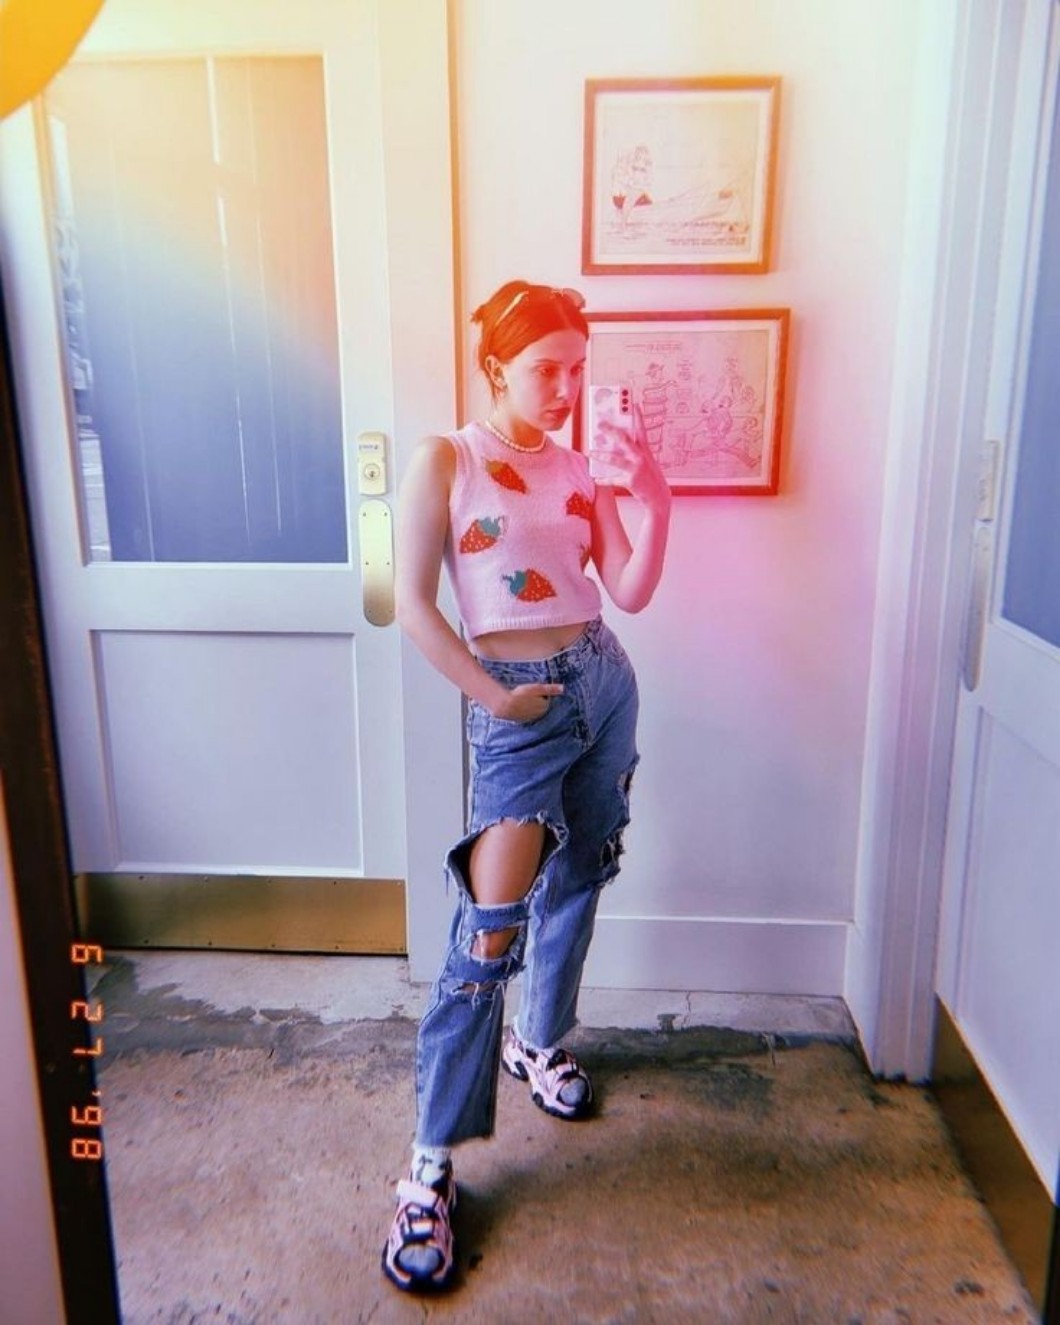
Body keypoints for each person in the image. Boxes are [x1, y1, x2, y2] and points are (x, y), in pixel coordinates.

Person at [382, 279, 671, 1292]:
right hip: (515, 706)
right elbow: (410, 602)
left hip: (602, 682)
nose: (565, 389)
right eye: (547, 369)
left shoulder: (579, 468)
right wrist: (491, 697)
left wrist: (653, 497)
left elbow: (629, 589)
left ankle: (538, 1042)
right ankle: (428, 1168)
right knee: (487, 930)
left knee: (581, 875)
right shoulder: (446, 459)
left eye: (577, 371)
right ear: (496, 365)